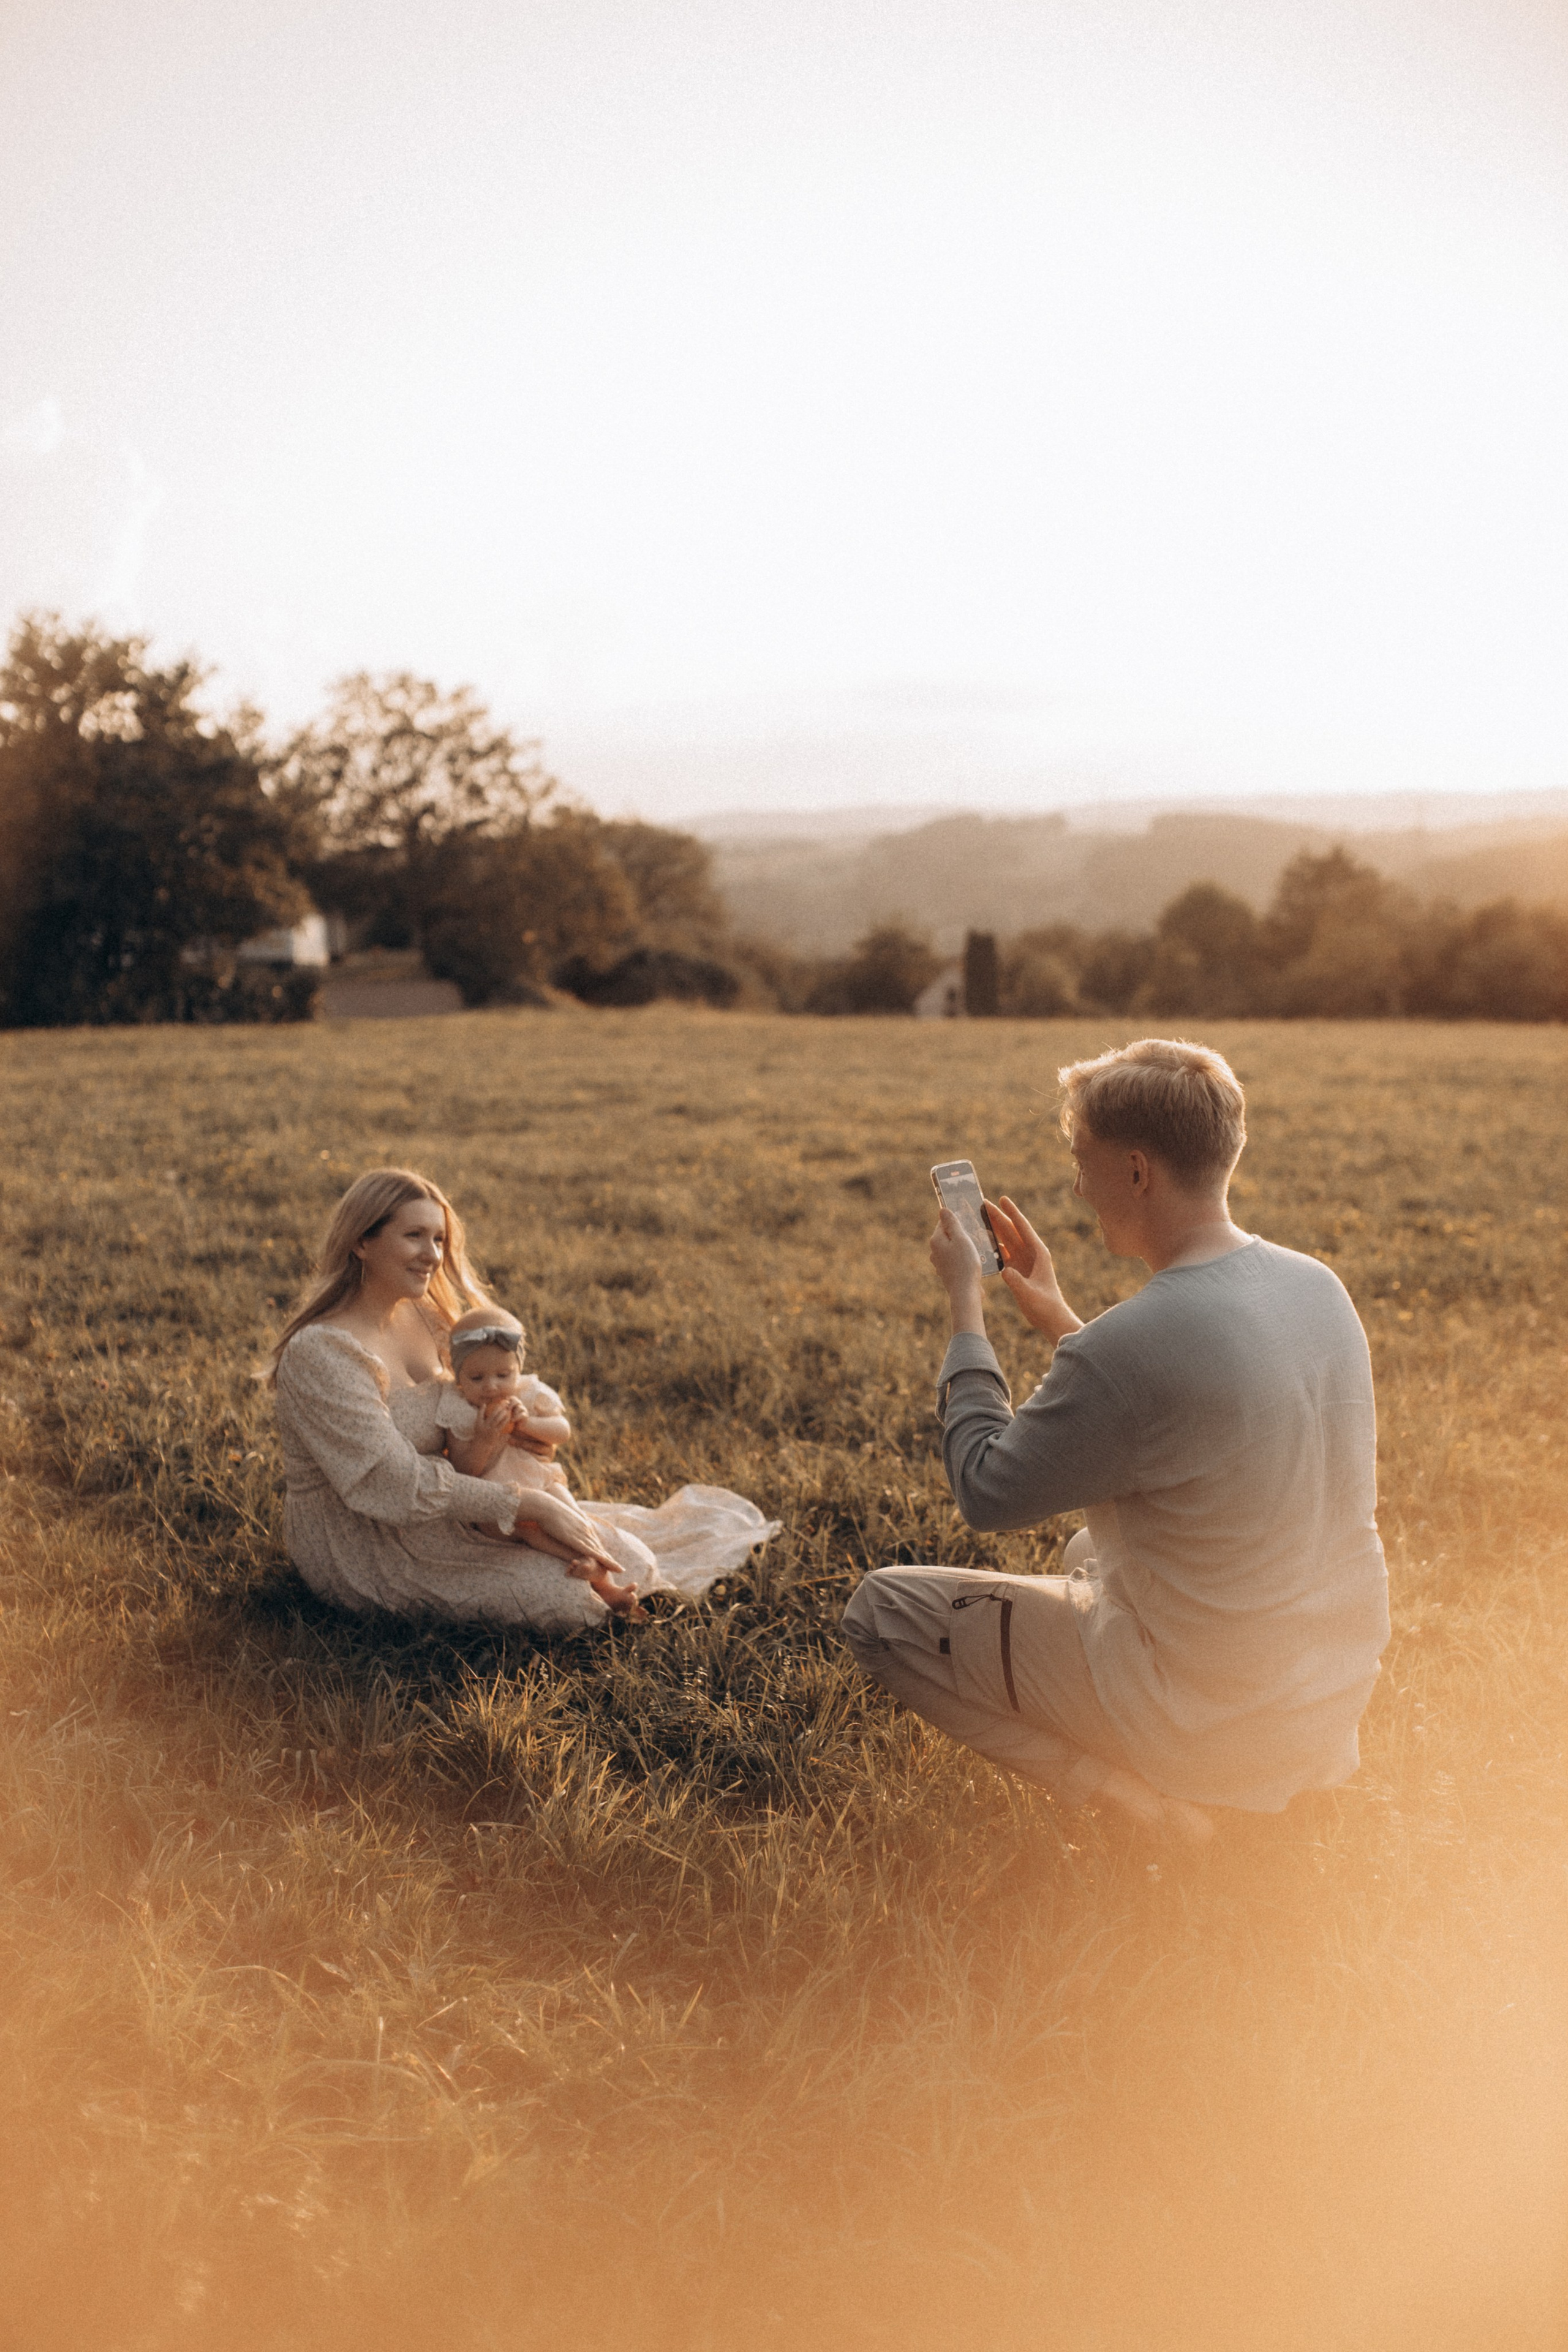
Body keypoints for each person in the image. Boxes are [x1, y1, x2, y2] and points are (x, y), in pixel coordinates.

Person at [842, 1038, 1390, 1841]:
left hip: (1211, 1718)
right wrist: (1062, 1317)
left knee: (880, 1611)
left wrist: (967, 1305)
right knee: (1081, 1557)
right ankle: (1239, 1773)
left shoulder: (1132, 1346)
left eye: (1082, 1158)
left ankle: (1135, 1801)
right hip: (1323, 1699)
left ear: (1137, 1172)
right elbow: (1190, 1399)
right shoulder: (1314, 1284)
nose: (1075, 1182)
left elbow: (987, 1490)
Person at [270, 1168, 777, 1628]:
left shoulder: (428, 1316)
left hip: (460, 1511)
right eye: (414, 1236)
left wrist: (519, 1437)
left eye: (440, 1238)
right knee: (570, 1602)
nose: (433, 1254)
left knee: (636, 1561)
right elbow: (389, 1483)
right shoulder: (325, 1351)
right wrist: (525, 1502)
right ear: (362, 1242)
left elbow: (480, 1405)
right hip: (365, 1541)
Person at [434, 1305, 652, 1620]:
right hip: (498, 1505)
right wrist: (483, 1439)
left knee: (572, 1514)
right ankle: (589, 1569)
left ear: (517, 1368)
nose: (492, 1386)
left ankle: (607, 1581)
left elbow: (562, 1432)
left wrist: (527, 1425)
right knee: (530, 1530)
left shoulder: (528, 1393)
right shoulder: (458, 1410)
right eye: (477, 1377)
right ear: (458, 1375)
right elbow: (465, 1472)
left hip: (541, 1480)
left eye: (503, 1375)